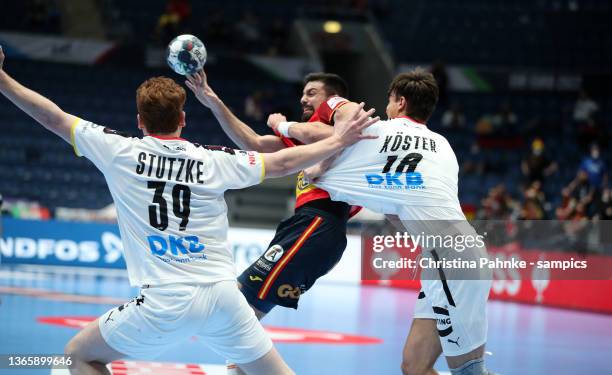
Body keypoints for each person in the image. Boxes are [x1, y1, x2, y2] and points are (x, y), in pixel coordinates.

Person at [0, 46, 377, 375]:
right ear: (183, 120)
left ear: (139, 122)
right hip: (224, 299)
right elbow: (280, 162)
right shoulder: (214, 160)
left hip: (165, 301)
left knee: (76, 357)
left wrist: (1, 78)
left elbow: (52, 116)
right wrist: (341, 139)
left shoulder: (118, 151)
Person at [306, 69, 495, 375]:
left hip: (452, 261)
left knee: (469, 372)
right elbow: (403, 207)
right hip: (451, 255)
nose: (386, 108)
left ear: (401, 102)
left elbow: (323, 158)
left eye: (389, 101)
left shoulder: (381, 132)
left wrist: (286, 130)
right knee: (414, 367)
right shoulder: (443, 145)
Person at [185, 70, 368, 374]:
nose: (303, 98)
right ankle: (238, 368)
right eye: (303, 92)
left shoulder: (346, 132)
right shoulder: (309, 141)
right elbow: (254, 143)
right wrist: (213, 102)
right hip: (308, 228)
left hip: (318, 225)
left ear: (331, 99)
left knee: (239, 309)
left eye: (311, 93)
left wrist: (282, 123)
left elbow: (345, 133)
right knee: (241, 309)